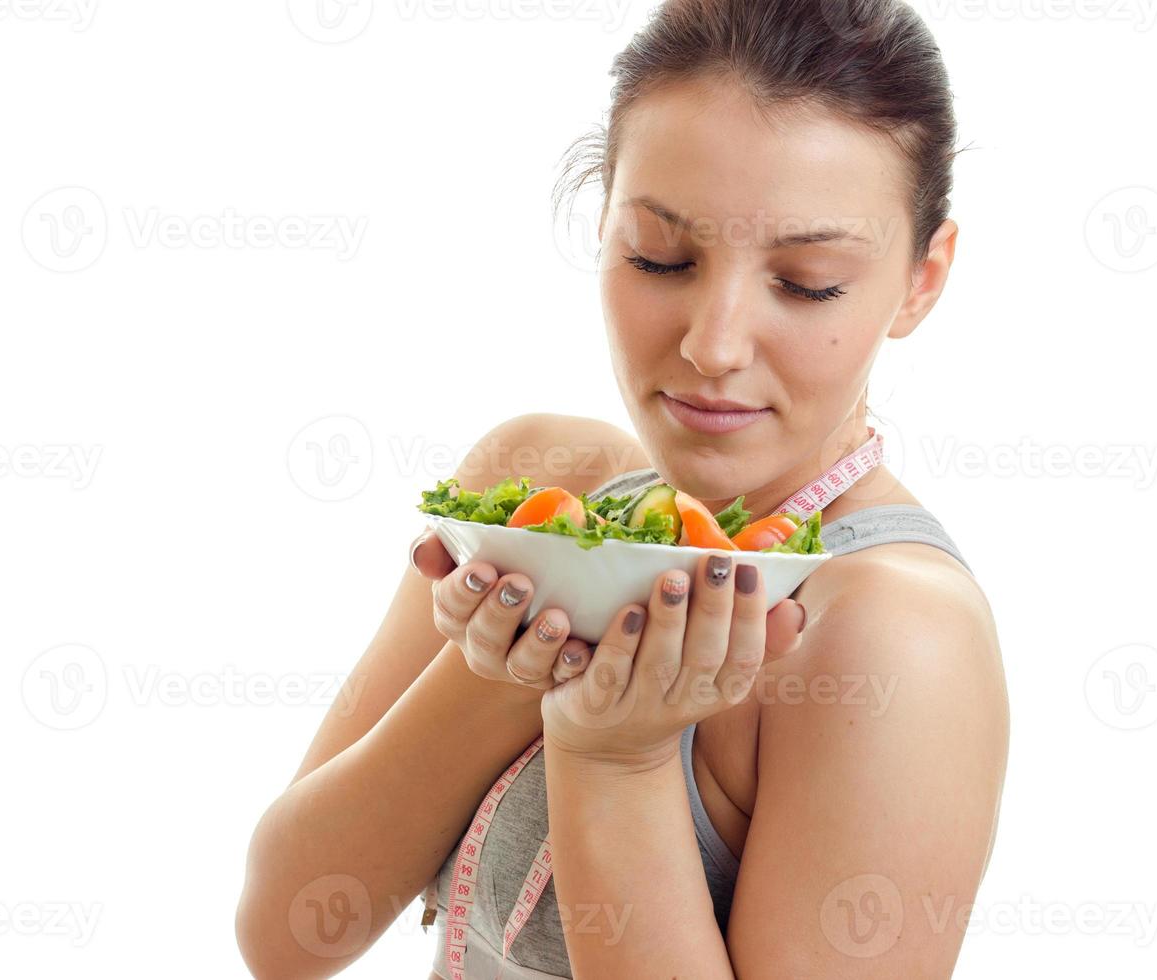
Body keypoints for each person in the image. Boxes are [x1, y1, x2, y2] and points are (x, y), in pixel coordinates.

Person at [236, 1, 1008, 976]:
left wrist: (619, 758)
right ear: (602, 224)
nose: (713, 344)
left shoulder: (887, 630)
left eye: (807, 280)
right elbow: (288, 934)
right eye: (661, 257)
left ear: (921, 280)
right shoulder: (536, 489)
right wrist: (510, 655)